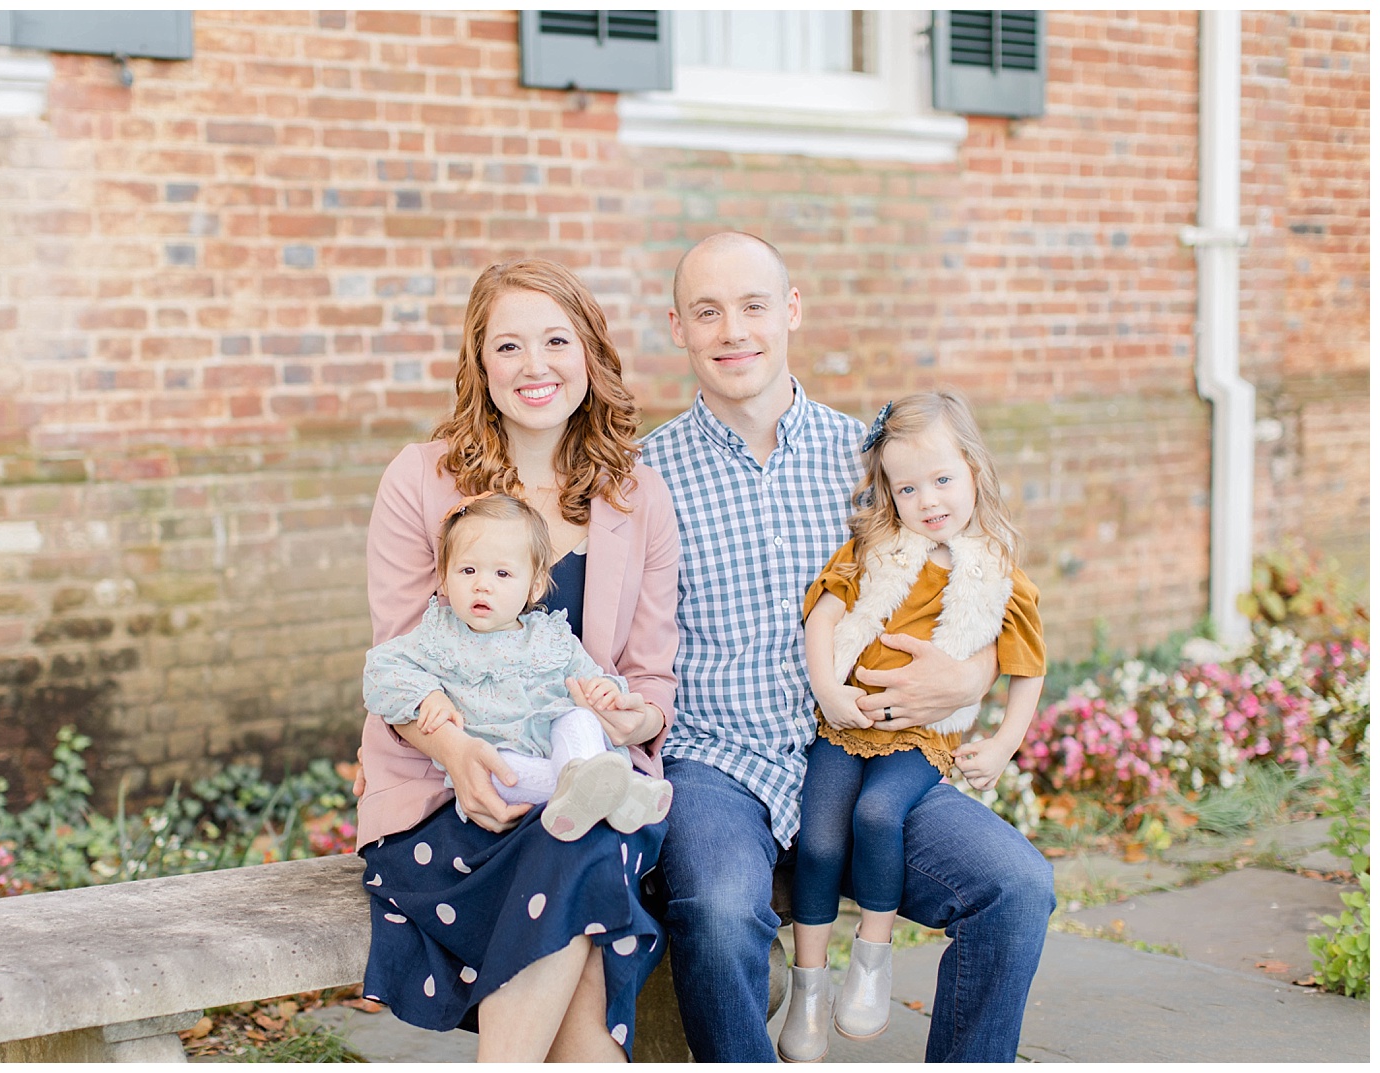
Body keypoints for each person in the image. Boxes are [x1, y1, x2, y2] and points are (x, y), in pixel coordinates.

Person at [638, 231, 1055, 1063]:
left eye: (754, 306)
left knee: (1014, 885)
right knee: (719, 908)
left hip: (871, 750)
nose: (734, 331)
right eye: (708, 312)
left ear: (790, 311)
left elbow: (978, 576)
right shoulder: (644, 475)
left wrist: (969, 675)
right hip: (718, 760)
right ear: (677, 326)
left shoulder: (869, 459)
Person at [356, 259, 681, 1062]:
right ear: (480, 364)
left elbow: (649, 679)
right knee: (579, 867)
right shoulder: (420, 480)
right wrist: (457, 752)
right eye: (508, 346)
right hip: (449, 791)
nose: (534, 366)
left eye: (555, 340)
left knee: (581, 828)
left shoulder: (638, 498)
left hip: (583, 777)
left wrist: (633, 715)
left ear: (590, 353)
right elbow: (400, 658)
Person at [777, 390, 1046, 1060]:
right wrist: (828, 690)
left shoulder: (997, 576)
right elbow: (824, 612)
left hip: (919, 737)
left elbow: (1027, 666)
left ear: (974, 472)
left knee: (877, 815)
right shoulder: (875, 548)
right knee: (817, 835)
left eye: (943, 479)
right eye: (908, 488)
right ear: (887, 493)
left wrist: (1005, 742)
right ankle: (810, 986)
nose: (928, 500)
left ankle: (872, 956)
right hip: (846, 722)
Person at [362, 491, 673, 840]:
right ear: (445, 580)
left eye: (502, 573)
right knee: (496, 769)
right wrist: (427, 696)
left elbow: (592, 680)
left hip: (562, 750)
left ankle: (591, 789)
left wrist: (607, 693)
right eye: (468, 570)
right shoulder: (438, 635)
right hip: (500, 757)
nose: (483, 584)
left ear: (534, 586)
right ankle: (617, 795)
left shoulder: (551, 635)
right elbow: (381, 670)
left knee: (578, 717)